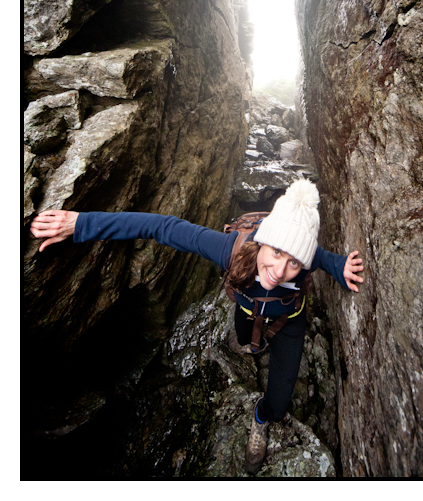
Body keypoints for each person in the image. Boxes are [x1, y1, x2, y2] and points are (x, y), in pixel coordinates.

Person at [30, 178, 364, 475]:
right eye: (276, 251)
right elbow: (162, 227)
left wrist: (339, 266)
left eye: (293, 262)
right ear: (264, 240)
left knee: (278, 404)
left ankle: (261, 417)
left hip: (288, 321)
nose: (280, 269)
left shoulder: (304, 258)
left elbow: (318, 256)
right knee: (245, 336)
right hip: (246, 308)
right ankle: (248, 342)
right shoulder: (228, 250)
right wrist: (83, 224)